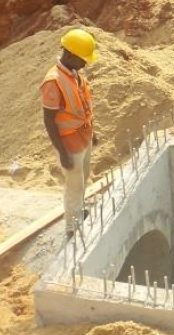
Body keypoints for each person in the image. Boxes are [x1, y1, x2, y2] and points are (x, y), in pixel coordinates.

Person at [42, 28, 99, 239]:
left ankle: (79, 212)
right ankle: (72, 228)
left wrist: (93, 131)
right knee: (74, 185)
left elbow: (83, 105)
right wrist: (62, 151)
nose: (86, 63)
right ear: (71, 55)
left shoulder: (75, 75)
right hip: (69, 143)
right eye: (83, 59)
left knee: (82, 179)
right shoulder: (53, 81)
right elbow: (49, 119)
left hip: (83, 137)